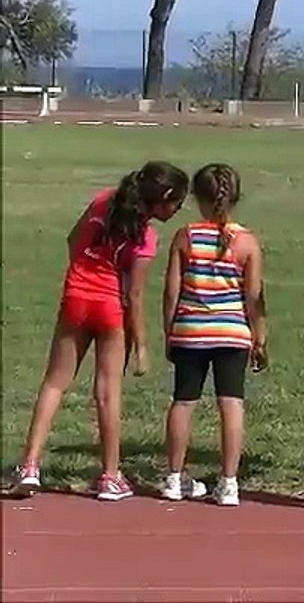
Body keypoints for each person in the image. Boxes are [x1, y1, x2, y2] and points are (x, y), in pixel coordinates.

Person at [9, 161, 189, 501]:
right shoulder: (145, 237)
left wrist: (82, 270)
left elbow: (72, 239)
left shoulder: (104, 201)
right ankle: (110, 475)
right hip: (110, 309)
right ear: (162, 198)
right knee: (108, 393)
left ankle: (30, 466)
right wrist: (142, 347)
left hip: (76, 298)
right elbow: (134, 295)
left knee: (54, 382)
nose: (177, 210)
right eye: (176, 203)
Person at [161, 164, 267, 507]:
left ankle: (175, 478)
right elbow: (254, 298)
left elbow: (171, 291)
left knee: (183, 401)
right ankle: (229, 482)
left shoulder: (185, 236)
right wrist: (259, 337)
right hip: (232, 332)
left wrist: (170, 331)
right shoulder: (247, 242)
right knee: (231, 403)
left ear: (196, 197)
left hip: (191, 330)